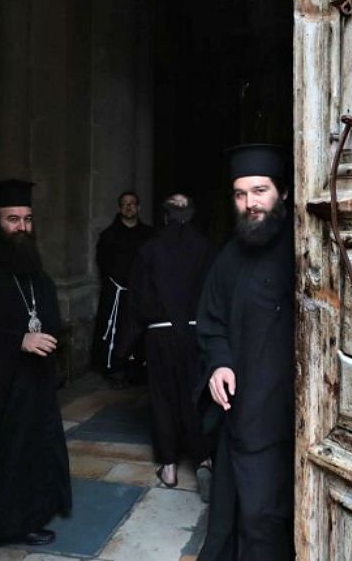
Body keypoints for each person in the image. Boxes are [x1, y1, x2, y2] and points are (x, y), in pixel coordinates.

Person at [196, 144, 295, 561]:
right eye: (240, 194)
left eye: (260, 190)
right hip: (241, 414)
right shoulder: (228, 257)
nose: (250, 203)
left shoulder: (303, 251)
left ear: (283, 194)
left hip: (289, 417)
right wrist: (218, 364)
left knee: (271, 521)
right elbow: (211, 320)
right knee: (238, 517)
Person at [0, 179, 72, 559]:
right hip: (0, 383)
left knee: (34, 451)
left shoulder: (33, 266)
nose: (21, 227)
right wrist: (19, 340)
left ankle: (28, 520)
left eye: (27, 219)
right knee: (5, 456)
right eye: (12, 219)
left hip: (35, 382)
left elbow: (42, 307)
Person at [119, 193, 216, 493]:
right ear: (190, 216)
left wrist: (124, 347)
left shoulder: (150, 249)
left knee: (162, 399)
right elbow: (216, 296)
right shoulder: (206, 249)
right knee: (197, 397)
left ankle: (170, 468)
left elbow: (136, 299)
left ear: (164, 217)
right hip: (196, 333)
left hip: (159, 335)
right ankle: (204, 461)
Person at [92, 190, 156, 385]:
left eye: (132, 203)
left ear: (139, 207)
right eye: (124, 204)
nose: (128, 207)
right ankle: (114, 370)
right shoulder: (108, 236)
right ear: (119, 208)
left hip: (141, 292)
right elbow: (103, 263)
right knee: (116, 331)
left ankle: (139, 371)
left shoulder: (150, 235)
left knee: (140, 332)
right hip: (116, 293)